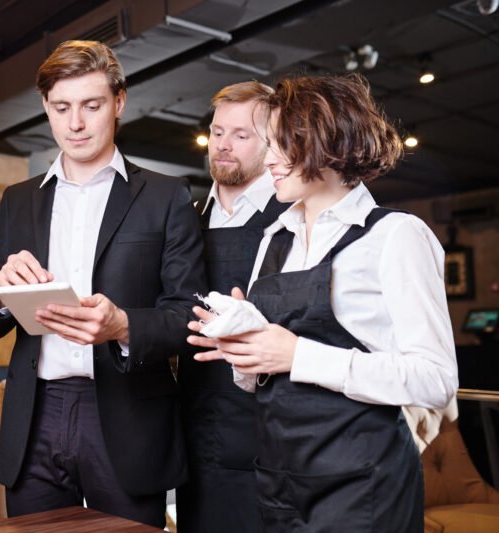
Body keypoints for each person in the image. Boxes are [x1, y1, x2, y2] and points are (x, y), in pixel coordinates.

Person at [188, 74, 458, 532]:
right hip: (278, 479)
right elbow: (261, 381)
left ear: (327, 142)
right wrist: (245, 350)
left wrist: (297, 354)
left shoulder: (395, 235)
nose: (268, 159)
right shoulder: (275, 239)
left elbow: (436, 381)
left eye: (280, 144)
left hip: (363, 481)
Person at [0, 40, 205, 528]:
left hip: (127, 415)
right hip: (34, 415)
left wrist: (123, 326)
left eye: (91, 106)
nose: (75, 123)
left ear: (119, 102)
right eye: (62, 108)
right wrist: (5, 294)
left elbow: (189, 316)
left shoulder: (166, 197)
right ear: (46, 107)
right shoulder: (17, 200)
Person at [177, 81, 286, 533]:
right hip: (194, 422)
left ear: (272, 143)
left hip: (266, 429)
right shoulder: (185, 219)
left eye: (241, 135)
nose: (223, 145)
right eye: (218, 132)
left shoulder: (291, 219)